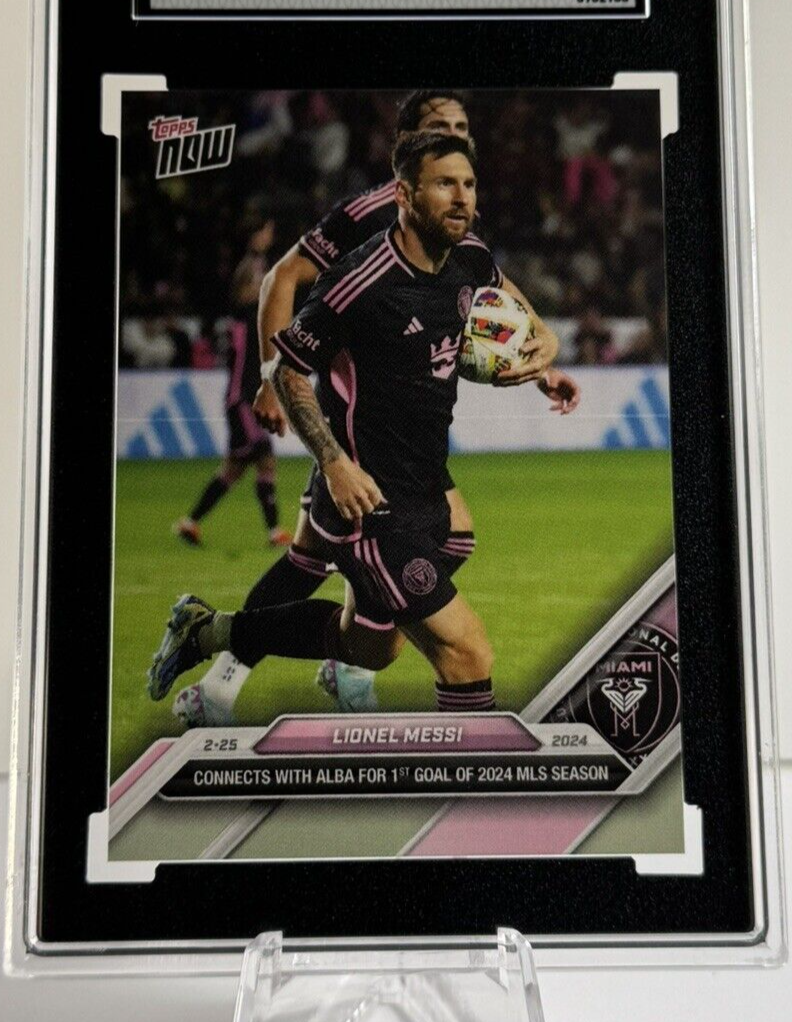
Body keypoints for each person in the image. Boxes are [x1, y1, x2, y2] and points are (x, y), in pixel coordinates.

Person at [173, 91, 569, 726]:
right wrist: (329, 456)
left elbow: (500, 298)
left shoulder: (468, 254)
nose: (462, 195)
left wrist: (542, 353)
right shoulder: (358, 273)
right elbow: (287, 333)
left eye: (469, 180)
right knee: (466, 651)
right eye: (445, 178)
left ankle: (212, 631)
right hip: (363, 478)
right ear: (405, 184)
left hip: (421, 475)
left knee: (371, 640)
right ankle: (467, 771)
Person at [173, 255, 292, 549]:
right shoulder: (249, 314)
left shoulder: (240, 316)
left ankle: (190, 523)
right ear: (244, 286)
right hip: (243, 400)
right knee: (265, 459)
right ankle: (275, 532)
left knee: (233, 470)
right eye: (258, 277)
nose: (265, 281)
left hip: (240, 399)